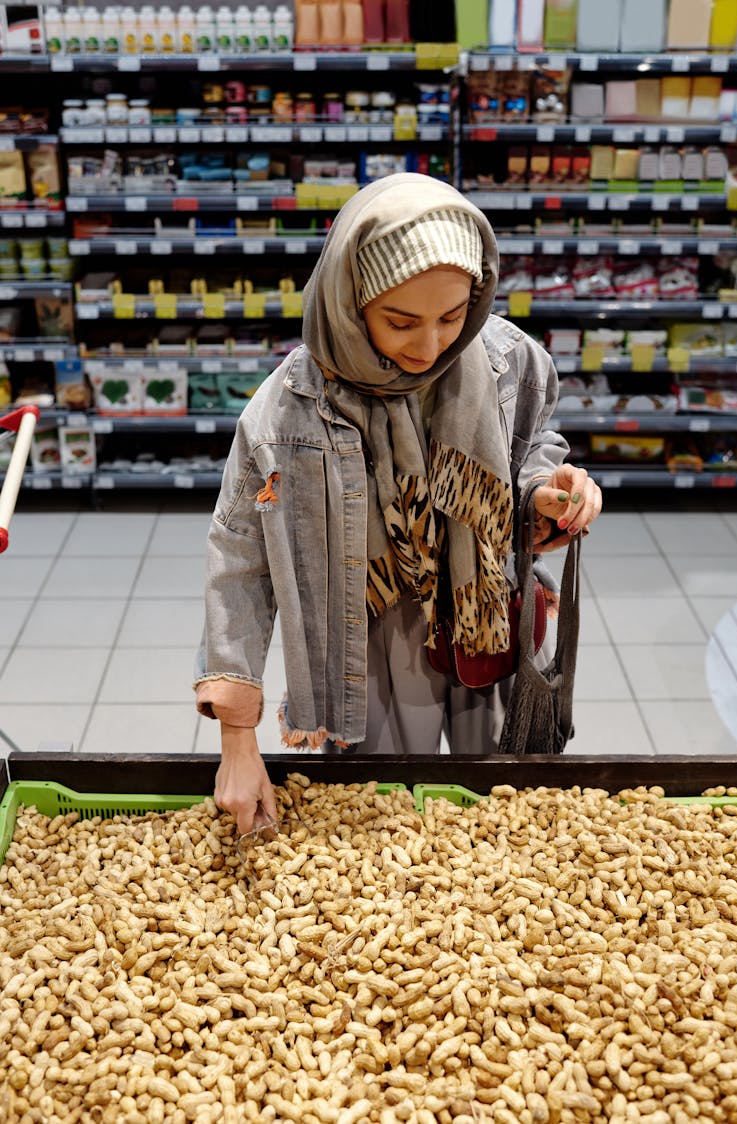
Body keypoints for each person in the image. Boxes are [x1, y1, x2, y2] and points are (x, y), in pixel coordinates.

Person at [194, 173, 602, 835]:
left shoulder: (504, 357)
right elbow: (240, 566)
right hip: (369, 633)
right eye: (400, 321)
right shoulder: (288, 415)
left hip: (485, 614)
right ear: (350, 300)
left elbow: (533, 447)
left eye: (453, 315)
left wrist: (550, 495)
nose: (432, 345)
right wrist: (237, 744)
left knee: (502, 805)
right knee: (377, 814)